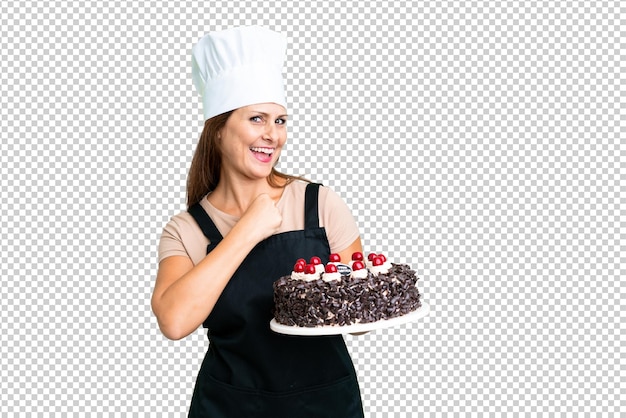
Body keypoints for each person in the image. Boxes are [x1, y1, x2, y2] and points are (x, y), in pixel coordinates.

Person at [151, 26, 365, 417]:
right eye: (257, 119)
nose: (273, 135)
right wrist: (247, 229)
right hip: (230, 406)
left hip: (325, 404)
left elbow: (360, 320)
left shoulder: (319, 204)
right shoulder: (187, 229)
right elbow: (175, 321)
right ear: (218, 131)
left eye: (280, 121)